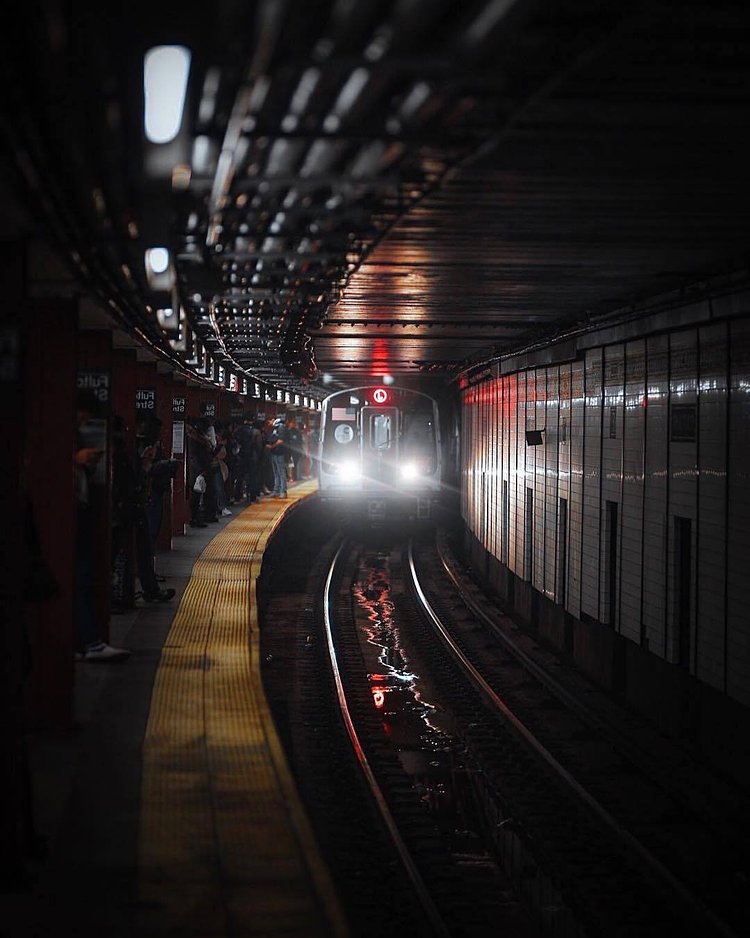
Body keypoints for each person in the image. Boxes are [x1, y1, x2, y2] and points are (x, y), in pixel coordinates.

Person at [74, 391, 131, 661]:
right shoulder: (63, 441)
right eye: (81, 416)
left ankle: (83, 641)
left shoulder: (75, 438)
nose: (83, 422)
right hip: (71, 517)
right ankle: (88, 641)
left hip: (80, 513)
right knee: (81, 577)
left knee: (83, 577)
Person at [234, 412, 263, 502]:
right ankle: (252, 496)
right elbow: (259, 446)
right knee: (252, 477)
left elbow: (235, 442)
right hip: (252, 457)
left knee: (240, 477)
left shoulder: (238, 430)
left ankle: (237, 496)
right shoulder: (256, 431)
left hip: (241, 456)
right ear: (253, 420)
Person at [266, 417, 288, 498]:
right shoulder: (276, 428)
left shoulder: (281, 426)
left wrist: (271, 446)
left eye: (269, 420)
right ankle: (277, 491)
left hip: (279, 453)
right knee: (276, 473)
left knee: (281, 473)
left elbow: (281, 441)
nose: (269, 423)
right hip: (275, 453)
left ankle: (283, 491)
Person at [284, 415, 303, 482]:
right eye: (292, 422)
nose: (294, 424)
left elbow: (300, 442)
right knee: (290, 465)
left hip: (296, 452)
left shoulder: (297, 432)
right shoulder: (286, 431)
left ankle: (294, 477)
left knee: (294, 465)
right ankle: (290, 477)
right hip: (289, 451)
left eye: (295, 422)